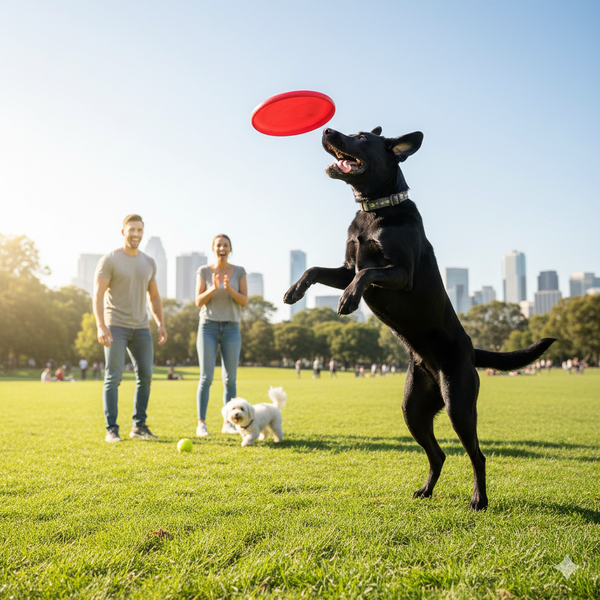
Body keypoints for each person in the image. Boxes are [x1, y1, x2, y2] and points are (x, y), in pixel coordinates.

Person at [93, 214, 167, 443]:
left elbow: (154, 295)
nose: (136, 234)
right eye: (131, 229)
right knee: (113, 377)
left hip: (141, 328)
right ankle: (111, 429)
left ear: (142, 232)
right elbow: (98, 293)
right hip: (116, 325)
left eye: (139, 230)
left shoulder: (149, 262)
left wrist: (160, 323)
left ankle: (139, 426)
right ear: (123, 231)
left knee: (145, 376)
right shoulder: (110, 260)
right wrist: (101, 325)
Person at [195, 234, 247, 437]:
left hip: (231, 328)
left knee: (230, 379)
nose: (222, 248)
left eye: (225, 245)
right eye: (218, 245)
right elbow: (198, 301)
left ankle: (228, 423)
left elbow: (243, 301)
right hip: (208, 327)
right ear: (213, 248)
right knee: (206, 377)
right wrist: (213, 289)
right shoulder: (203, 271)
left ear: (230, 249)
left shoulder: (240, 272)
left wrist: (229, 289)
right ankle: (201, 424)